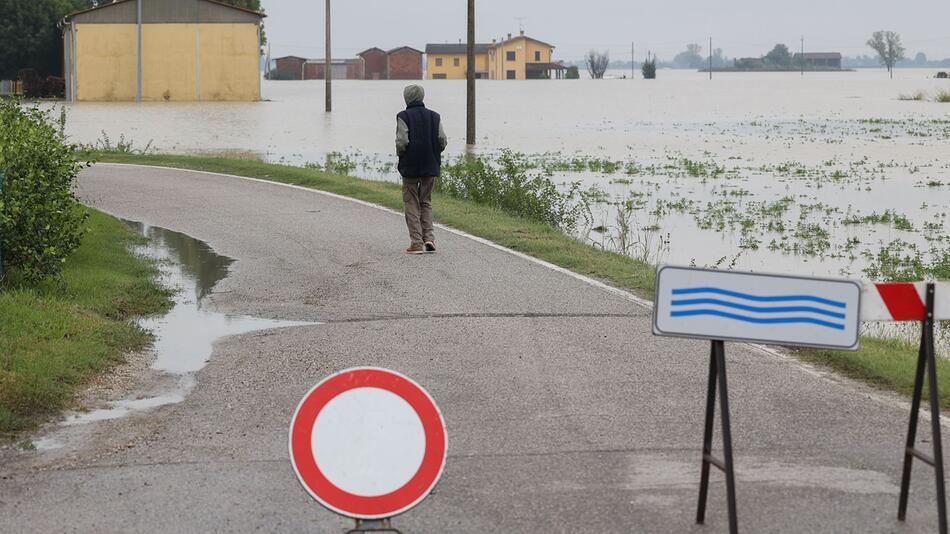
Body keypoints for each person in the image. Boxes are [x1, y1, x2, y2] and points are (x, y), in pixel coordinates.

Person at [396, 85, 447, 254]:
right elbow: (442, 140)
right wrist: (434, 153)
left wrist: (401, 155)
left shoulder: (403, 116)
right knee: (426, 202)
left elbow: (402, 141)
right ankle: (429, 238)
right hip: (430, 165)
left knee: (411, 203)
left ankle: (416, 243)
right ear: (422, 96)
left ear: (406, 97)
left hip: (410, 166)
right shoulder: (435, 116)